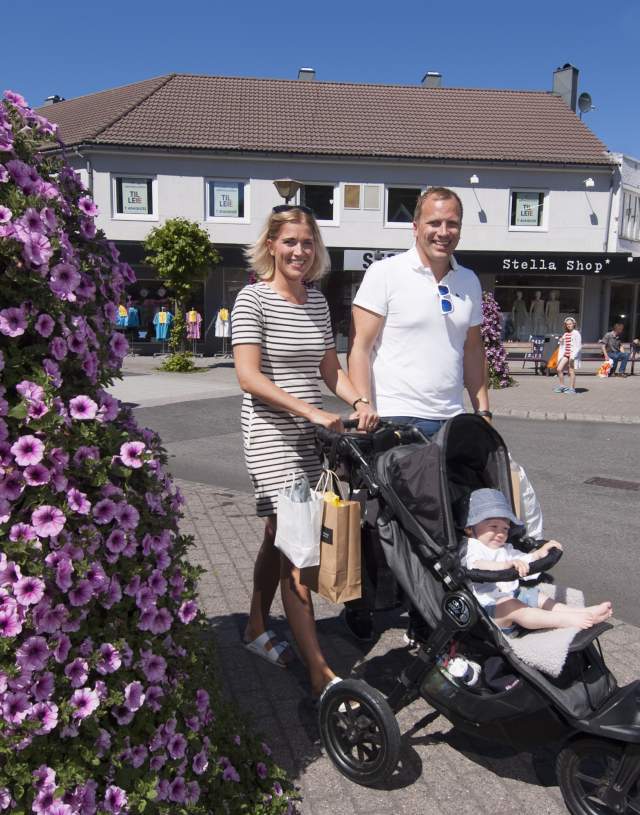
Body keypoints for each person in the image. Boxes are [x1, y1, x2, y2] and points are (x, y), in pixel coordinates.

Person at [231, 204, 378, 700]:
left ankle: (255, 626)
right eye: (290, 241)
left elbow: (328, 369)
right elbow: (249, 377)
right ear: (271, 245)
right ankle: (319, 673)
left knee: (279, 534)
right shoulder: (252, 300)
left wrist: (358, 399)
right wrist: (310, 412)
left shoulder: (316, 302)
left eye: (308, 242)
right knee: (300, 546)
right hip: (272, 437)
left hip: (311, 439)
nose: (299, 250)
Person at [347, 186, 490, 643]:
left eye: (451, 224)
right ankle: (367, 603)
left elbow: (472, 352)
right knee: (395, 529)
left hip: (448, 423)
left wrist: (482, 408)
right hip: (396, 422)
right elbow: (360, 348)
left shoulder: (467, 281)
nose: (442, 232)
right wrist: (363, 403)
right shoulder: (386, 274)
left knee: (443, 526)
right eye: (434, 222)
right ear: (416, 226)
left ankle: (425, 621)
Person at [461, 488, 613, 636]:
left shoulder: (505, 548)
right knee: (513, 606)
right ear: (470, 529)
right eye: (493, 527)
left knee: (534, 595)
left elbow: (524, 559)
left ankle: (583, 612)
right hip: (489, 611)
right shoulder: (473, 546)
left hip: (512, 595)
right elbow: (476, 565)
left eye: (505, 529)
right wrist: (505, 566)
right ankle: (565, 620)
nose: (500, 533)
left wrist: (539, 554)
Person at [553, 317, 582, 394]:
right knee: (559, 369)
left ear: (574, 324)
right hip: (566, 354)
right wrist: (561, 341)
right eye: (567, 324)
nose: (568, 325)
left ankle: (572, 389)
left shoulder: (576, 333)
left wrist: (573, 356)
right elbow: (562, 344)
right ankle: (562, 386)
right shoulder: (566, 333)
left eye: (570, 324)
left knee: (571, 371)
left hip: (572, 355)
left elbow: (578, 346)